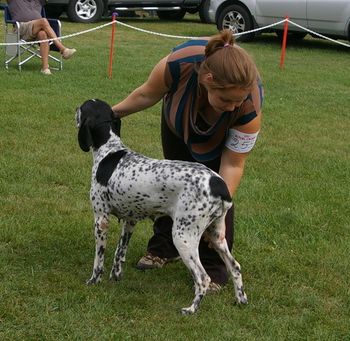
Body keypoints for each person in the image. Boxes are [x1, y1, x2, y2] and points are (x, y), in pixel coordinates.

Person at [112, 29, 264, 291]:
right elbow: (146, 94)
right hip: (178, 123)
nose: (232, 106)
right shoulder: (178, 63)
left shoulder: (248, 108)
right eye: (226, 99)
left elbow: (233, 164)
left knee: (210, 194)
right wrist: (110, 114)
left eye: (237, 101)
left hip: (220, 139)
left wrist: (218, 212)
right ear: (207, 79)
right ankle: (164, 247)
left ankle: (214, 268)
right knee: (169, 185)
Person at [7, 0, 76, 75]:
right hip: (21, 27)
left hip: (36, 29)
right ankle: (62, 49)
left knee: (42, 34)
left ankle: (45, 68)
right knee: (43, 21)